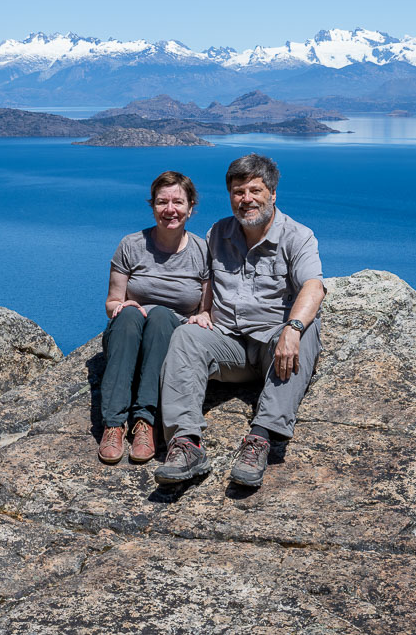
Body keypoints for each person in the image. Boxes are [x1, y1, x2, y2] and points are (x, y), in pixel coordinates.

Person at [154, 153, 325, 488]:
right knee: (186, 336)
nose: (246, 199)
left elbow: (313, 287)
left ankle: (261, 437)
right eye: (238, 192)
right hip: (229, 344)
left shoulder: (298, 236)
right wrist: (202, 311)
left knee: (306, 330)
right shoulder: (218, 233)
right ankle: (186, 444)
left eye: (255, 190)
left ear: (272, 193)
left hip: (274, 347)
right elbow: (198, 280)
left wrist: (292, 329)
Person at [99, 171, 211, 464]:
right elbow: (112, 302)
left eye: (178, 202)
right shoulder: (131, 245)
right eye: (162, 202)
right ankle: (113, 424)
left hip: (170, 335)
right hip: (130, 332)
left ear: (191, 207)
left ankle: (145, 422)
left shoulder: (202, 251)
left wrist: (201, 317)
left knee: (160, 315)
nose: (170, 210)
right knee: (128, 314)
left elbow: (206, 310)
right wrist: (121, 307)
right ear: (153, 206)